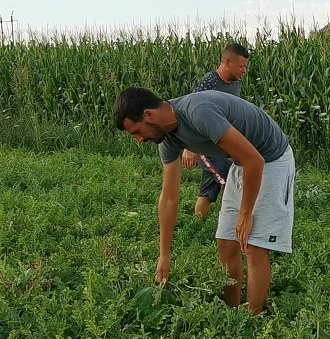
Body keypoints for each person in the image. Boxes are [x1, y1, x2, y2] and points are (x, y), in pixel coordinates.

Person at [113, 87, 296, 315]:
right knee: (226, 242)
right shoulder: (168, 140)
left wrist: (246, 214)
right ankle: (232, 314)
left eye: (137, 132)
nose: (139, 141)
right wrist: (164, 255)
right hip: (241, 163)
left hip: (269, 159)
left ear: (149, 115)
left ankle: (253, 321)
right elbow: (169, 197)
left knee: (253, 246)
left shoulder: (199, 112)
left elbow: (255, 161)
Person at [181, 43, 249, 220]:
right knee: (227, 176)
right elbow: (190, 112)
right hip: (205, 145)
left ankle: (196, 225)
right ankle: (237, 222)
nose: (244, 71)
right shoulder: (208, 83)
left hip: (223, 144)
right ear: (227, 62)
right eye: (241, 66)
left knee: (210, 187)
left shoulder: (236, 86)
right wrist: (189, 148)